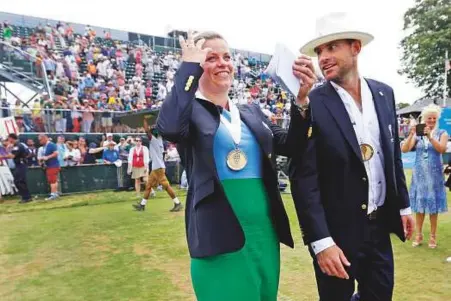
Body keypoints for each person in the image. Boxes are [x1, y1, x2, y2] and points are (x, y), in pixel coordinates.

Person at [156, 31, 309, 301]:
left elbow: (292, 145)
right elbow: (167, 127)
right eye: (211, 58)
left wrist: (302, 103)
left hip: (263, 233)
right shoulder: (188, 111)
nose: (222, 63)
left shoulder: (251, 112)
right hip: (218, 234)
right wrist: (188, 67)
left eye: (226, 57)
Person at [290, 13, 415, 301]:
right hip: (336, 234)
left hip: (379, 226)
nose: (324, 57)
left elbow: (391, 154)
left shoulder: (385, 93)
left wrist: (404, 206)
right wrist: (321, 243)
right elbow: (304, 179)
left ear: (355, 47)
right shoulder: (311, 102)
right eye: (320, 51)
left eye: (332, 47)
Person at [401, 104, 448, 248]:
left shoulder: (442, 133)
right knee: (419, 206)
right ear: (424, 119)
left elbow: (441, 149)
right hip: (420, 174)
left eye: (434, 118)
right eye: (429, 118)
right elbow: (404, 149)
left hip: (435, 175)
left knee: (433, 208)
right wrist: (410, 134)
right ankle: (418, 235)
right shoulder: (418, 134)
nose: (431, 121)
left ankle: (433, 237)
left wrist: (430, 137)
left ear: (437, 119)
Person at [132, 122, 181, 212]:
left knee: (166, 186)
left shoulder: (154, 139)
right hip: (156, 168)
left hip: (158, 168)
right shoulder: (159, 139)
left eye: (153, 130)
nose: (151, 131)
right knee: (148, 186)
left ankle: (177, 203)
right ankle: (142, 205)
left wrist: (144, 120)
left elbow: (147, 131)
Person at [0, 134, 32, 203]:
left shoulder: (18, 146)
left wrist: (2, 157)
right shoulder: (16, 145)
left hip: (21, 164)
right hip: (19, 164)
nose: (8, 141)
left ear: (11, 138)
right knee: (19, 181)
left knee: (19, 181)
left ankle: (26, 197)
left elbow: (11, 156)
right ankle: (26, 197)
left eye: (8, 139)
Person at [39, 134, 61, 201]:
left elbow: (56, 153)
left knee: (52, 181)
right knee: (54, 180)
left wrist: (47, 157)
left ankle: (53, 194)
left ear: (45, 138)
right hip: (51, 165)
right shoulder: (45, 146)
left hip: (53, 165)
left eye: (40, 140)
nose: (40, 141)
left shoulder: (51, 145)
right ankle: (55, 193)